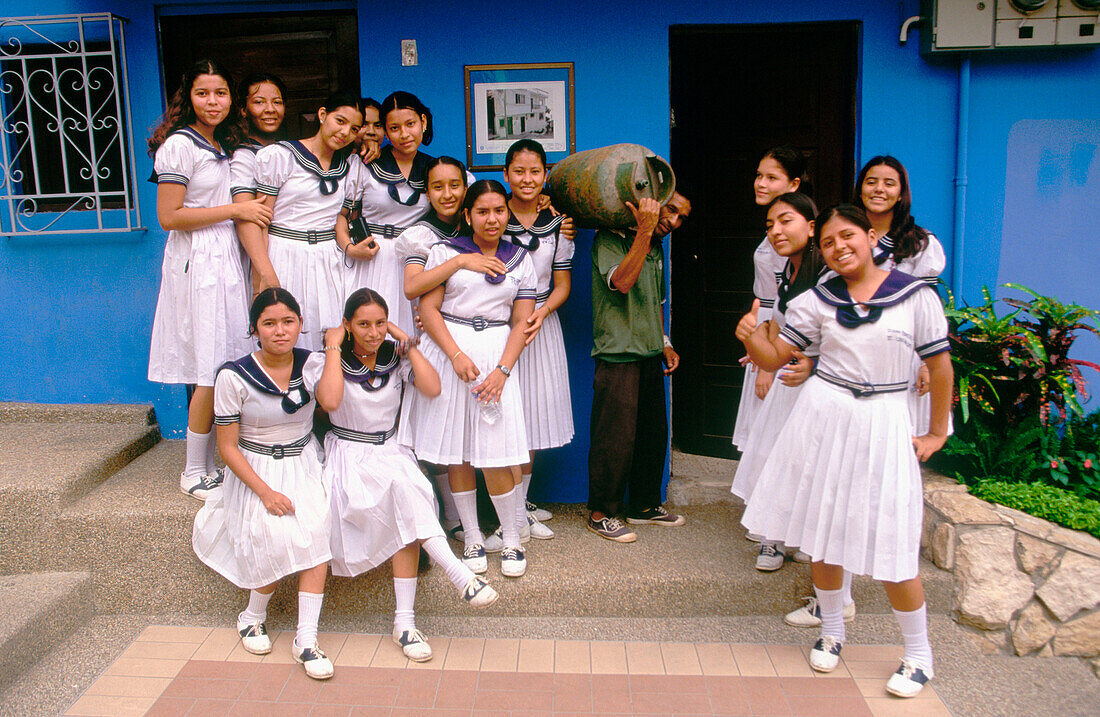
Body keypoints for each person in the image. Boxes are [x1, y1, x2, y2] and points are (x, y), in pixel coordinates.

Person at [735, 204, 952, 698]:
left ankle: (919, 654)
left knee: (894, 541)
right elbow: (776, 357)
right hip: (823, 417)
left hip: (885, 421)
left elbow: (940, 368)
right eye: (829, 242)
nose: (839, 247)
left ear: (871, 237)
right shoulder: (816, 299)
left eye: (847, 236)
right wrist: (755, 331)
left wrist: (937, 432)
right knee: (822, 530)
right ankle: (832, 632)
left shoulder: (915, 297)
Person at [308, 289, 499, 663]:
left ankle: (408, 622)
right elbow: (329, 402)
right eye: (363, 324)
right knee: (404, 489)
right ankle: (446, 583)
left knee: (406, 486)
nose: (373, 332)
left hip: (390, 450)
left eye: (380, 322)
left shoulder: (393, 359)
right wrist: (333, 347)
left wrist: (404, 341)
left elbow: (433, 386)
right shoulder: (325, 360)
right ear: (347, 325)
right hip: (348, 454)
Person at [192, 288, 336, 680]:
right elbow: (227, 447)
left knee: (317, 534)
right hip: (254, 469)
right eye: (269, 323)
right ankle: (252, 615)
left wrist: (334, 351)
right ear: (255, 329)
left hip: (304, 461)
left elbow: (334, 400)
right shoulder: (232, 375)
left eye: (288, 322)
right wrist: (266, 492)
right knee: (273, 532)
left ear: (300, 324)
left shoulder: (313, 364)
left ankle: (306, 638)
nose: (280, 331)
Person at [147, 59, 272, 500]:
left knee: (227, 363)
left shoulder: (221, 143)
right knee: (207, 369)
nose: (213, 102)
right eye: (203, 93)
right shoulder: (179, 146)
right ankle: (193, 469)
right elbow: (169, 217)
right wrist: (236, 210)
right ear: (188, 98)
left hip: (226, 262)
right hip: (197, 263)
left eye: (220, 93)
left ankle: (222, 461)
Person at [400, 180, 538, 578]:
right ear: (467, 215)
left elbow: (521, 321)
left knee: (494, 451)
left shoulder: (520, 260)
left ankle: (511, 538)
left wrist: (503, 370)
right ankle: (474, 536)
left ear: (507, 213)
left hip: (497, 355)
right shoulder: (445, 252)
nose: (491, 219)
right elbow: (428, 310)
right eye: (482, 211)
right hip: (450, 354)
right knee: (458, 449)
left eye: (498, 211)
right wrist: (455, 354)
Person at [395, 156, 498, 541]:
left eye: (455, 185)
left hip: (475, 340)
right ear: (426, 192)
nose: (447, 194)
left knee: (473, 429)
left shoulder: (479, 222)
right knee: (440, 429)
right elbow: (412, 286)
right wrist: (459, 261)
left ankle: (483, 516)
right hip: (432, 336)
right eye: (437, 187)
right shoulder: (420, 235)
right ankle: (449, 518)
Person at [483, 139, 574, 547]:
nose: (526, 179)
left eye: (535, 172)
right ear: (506, 175)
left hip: (540, 325)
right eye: (518, 171)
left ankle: (520, 509)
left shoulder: (559, 224)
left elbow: (562, 285)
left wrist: (543, 312)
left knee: (532, 416)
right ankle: (510, 515)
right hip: (501, 327)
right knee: (506, 417)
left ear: (545, 175)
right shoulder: (494, 217)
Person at [587, 191, 692, 543]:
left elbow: (655, 299)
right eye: (672, 211)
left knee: (651, 436)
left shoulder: (657, 245)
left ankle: (644, 506)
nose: (674, 222)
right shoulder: (610, 239)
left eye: (682, 218)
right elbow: (622, 282)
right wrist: (644, 232)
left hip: (648, 352)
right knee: (614, 439)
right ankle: (601, 512)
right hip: (617, 353)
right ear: (654, 203)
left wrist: (664, 342)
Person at [730, 193, 822, 572]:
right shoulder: (788, 270)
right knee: (773, 457)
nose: (776, 231)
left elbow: (845, 335)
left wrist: (815, 363)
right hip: (787, 380)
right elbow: (777, 322)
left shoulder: (828, 274)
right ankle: (773, 538)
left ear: (811, 226)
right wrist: (759, 344)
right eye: (770, 225)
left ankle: (807, 540)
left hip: (815, 388)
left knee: (808, 465)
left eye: (786, 221)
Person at [242, 91, 365, 351]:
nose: (344, 132)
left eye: (354, 129)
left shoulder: (350, 166)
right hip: (285, 254)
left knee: (328, 337)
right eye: (339, 121)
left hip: (328, 260)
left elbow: (341, 218)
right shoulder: (281, 155)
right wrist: (264, 279)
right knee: (284, 334)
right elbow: (260, 221)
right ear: (322, 115)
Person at [340, 91, 437, 335]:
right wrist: (350, 249)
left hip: (415, 262)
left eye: (411, 124)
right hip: (372, 257)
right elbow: (341, 216)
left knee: (413, 333)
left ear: (423, 122)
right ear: (385, 130)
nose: (404, 134)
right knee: (370, 330)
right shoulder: (364, 164)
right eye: (394, 128)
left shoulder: (435, 168)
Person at [731, 147, 807, 456]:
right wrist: (753, 342)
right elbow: (762, 296)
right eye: (759, 176)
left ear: (794, 184)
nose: (761, 183)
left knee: (773, 433)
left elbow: (788, 303)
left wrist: (768, 366)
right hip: (764, 336)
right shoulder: (771, 229)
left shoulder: (791, 234)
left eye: (772, 177)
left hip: (780, 341)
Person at [229, 73, 287, 297]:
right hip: (260, 262)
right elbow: (248, 218)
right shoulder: (244, 155)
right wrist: (263, 277)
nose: (270, 109)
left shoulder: (285, 150)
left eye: (277, 102)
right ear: (243, 109)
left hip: (284, 254)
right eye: (259, 102)